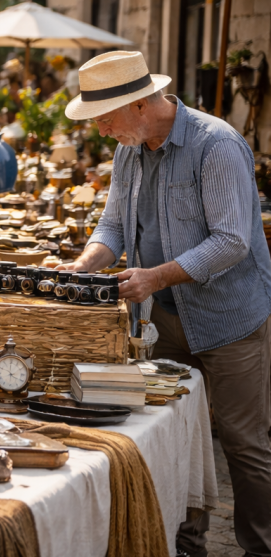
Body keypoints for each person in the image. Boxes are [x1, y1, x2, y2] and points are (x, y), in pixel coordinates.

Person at [60, 50, 271, 557]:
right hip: (164, 319)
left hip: (230, 320)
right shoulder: (128, 149)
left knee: (245, 445)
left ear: (138, 103)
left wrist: (153, 276)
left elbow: (231, 242)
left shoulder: (215, 144)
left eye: (105, 117)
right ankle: (186, 544)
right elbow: (112, 226)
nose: (101, 129)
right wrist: (84, 264)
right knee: (176, 435)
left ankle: (262, 549)